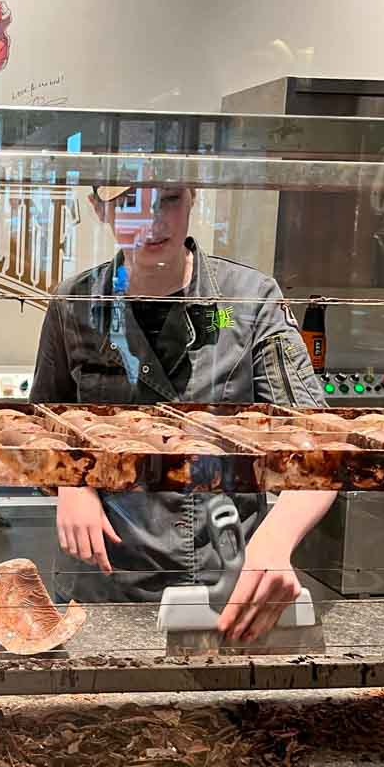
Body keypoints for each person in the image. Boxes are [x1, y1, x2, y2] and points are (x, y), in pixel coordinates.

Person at [29, 183, 335, 644]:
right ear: (98, 208)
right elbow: (40, 432)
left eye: (169, 199)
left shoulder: (242, 306)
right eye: (129, 203)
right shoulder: (77, 306)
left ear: (193, 197)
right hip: (103, 588)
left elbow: (321, 448)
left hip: (225, 585)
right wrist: (71, 481)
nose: (153, 223)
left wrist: (275, 540)